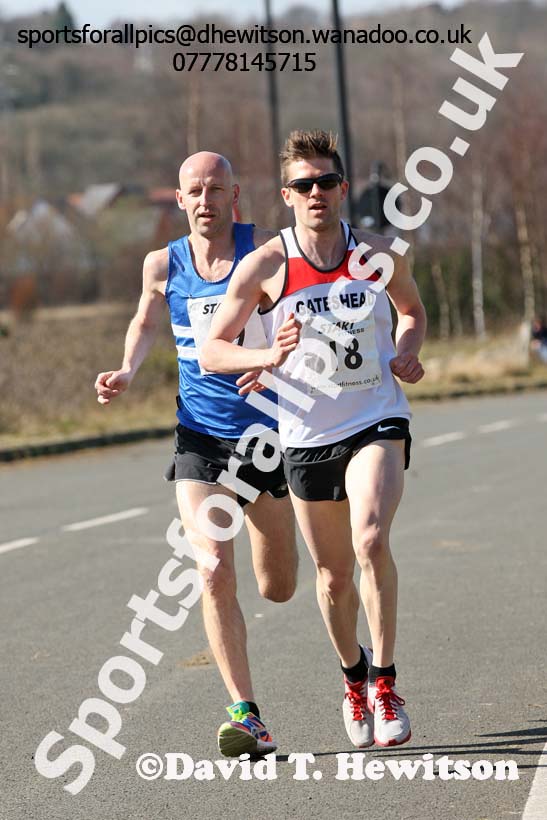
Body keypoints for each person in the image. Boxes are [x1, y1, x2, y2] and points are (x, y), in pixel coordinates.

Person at [202, 130, 426, 749]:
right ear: (286, 196)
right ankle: (353, 679)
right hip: (304, 436)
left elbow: (411, 310)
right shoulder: (267, 265)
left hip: (376, 418)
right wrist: (266, 351)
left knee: (371, 536)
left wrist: (407, 349)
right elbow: (211, 347)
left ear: (343, 187)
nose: (316, 193)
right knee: (331, 579)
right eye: (303, 185)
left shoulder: (377, 254)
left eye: (326, 182)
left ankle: (384, 682)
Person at [94, 151, 297, 758]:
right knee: (210, 570)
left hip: (267, 437)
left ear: (234, 195)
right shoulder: (163, 262)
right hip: (199, 437)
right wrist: (128, 370)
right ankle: (246, 714)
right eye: (194, 190)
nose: (205, 199)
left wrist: (283, 357)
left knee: (278, 586)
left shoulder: (264, 249)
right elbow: (145, 321)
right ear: (179, 199)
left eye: (215, 189)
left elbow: (303, 313)